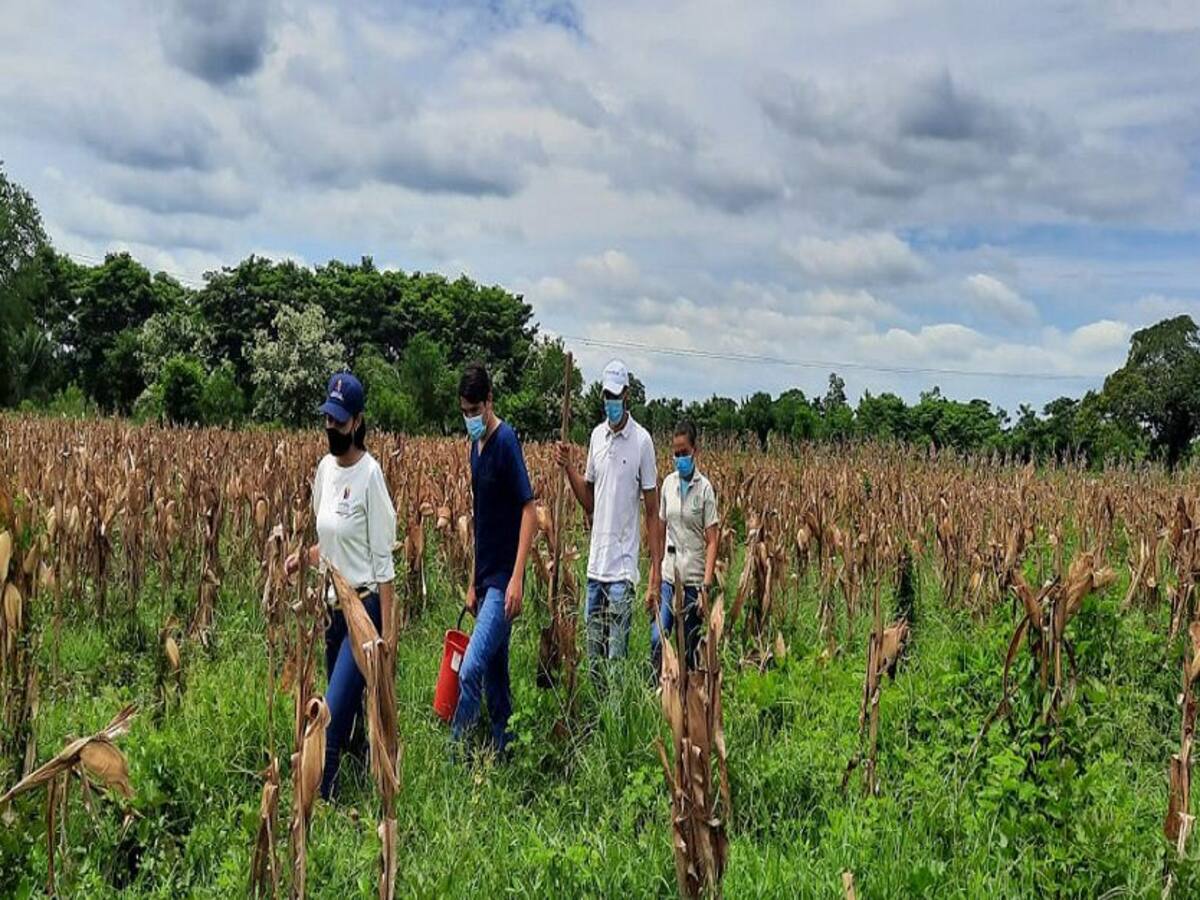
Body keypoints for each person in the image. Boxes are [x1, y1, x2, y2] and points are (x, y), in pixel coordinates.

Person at [285, 372, 397, 800]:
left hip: (363, 612)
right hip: (331, 611)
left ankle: (323, 806)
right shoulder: (324, 471)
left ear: (357, 422)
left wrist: (386, 637)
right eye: (328, 419)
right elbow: (329, 542)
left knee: (328, 718)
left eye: (339, 421)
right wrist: (303, 558)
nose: (331, 427)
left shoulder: (370, 476)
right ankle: (362, 773)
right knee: (347, 713)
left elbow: (383, 565)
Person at [452, 362, 537, 754]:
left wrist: (517, 578)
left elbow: (528, 509)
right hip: (486, 579)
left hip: (504, 580)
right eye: (464, 411)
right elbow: (482, 518)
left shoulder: (505, 441)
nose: (470, 418)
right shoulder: (476, 447)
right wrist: (474, 581)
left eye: (475, 410)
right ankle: (505, 747)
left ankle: (458, 755)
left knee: (470, 669)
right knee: (495, 673)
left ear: (489, 401)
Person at [555, 359, 662, 670]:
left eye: (616, 395)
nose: (610, 402)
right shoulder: (596, 437)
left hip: (622, 572)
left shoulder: (642, 441)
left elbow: (652, 512)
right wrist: (568, 468)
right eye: (606, 395)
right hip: (595, 569)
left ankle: (616, 705)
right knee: (594, 661)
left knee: (615, 660)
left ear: (626, 395)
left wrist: (655, 573)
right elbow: (589, 501)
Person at [650, 420, 718, 680]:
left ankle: (687, 695)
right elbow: (660, 531)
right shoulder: (668, 485)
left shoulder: (705, 489)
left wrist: (705, 587)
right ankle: (657, 688)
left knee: (688, 649)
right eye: (676, 454)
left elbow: (712, 540)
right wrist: (654, 579)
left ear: (695, 451)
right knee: (658, 638)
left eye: (684, 453)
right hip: (669, 577)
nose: (680, 459)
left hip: (693, 581)